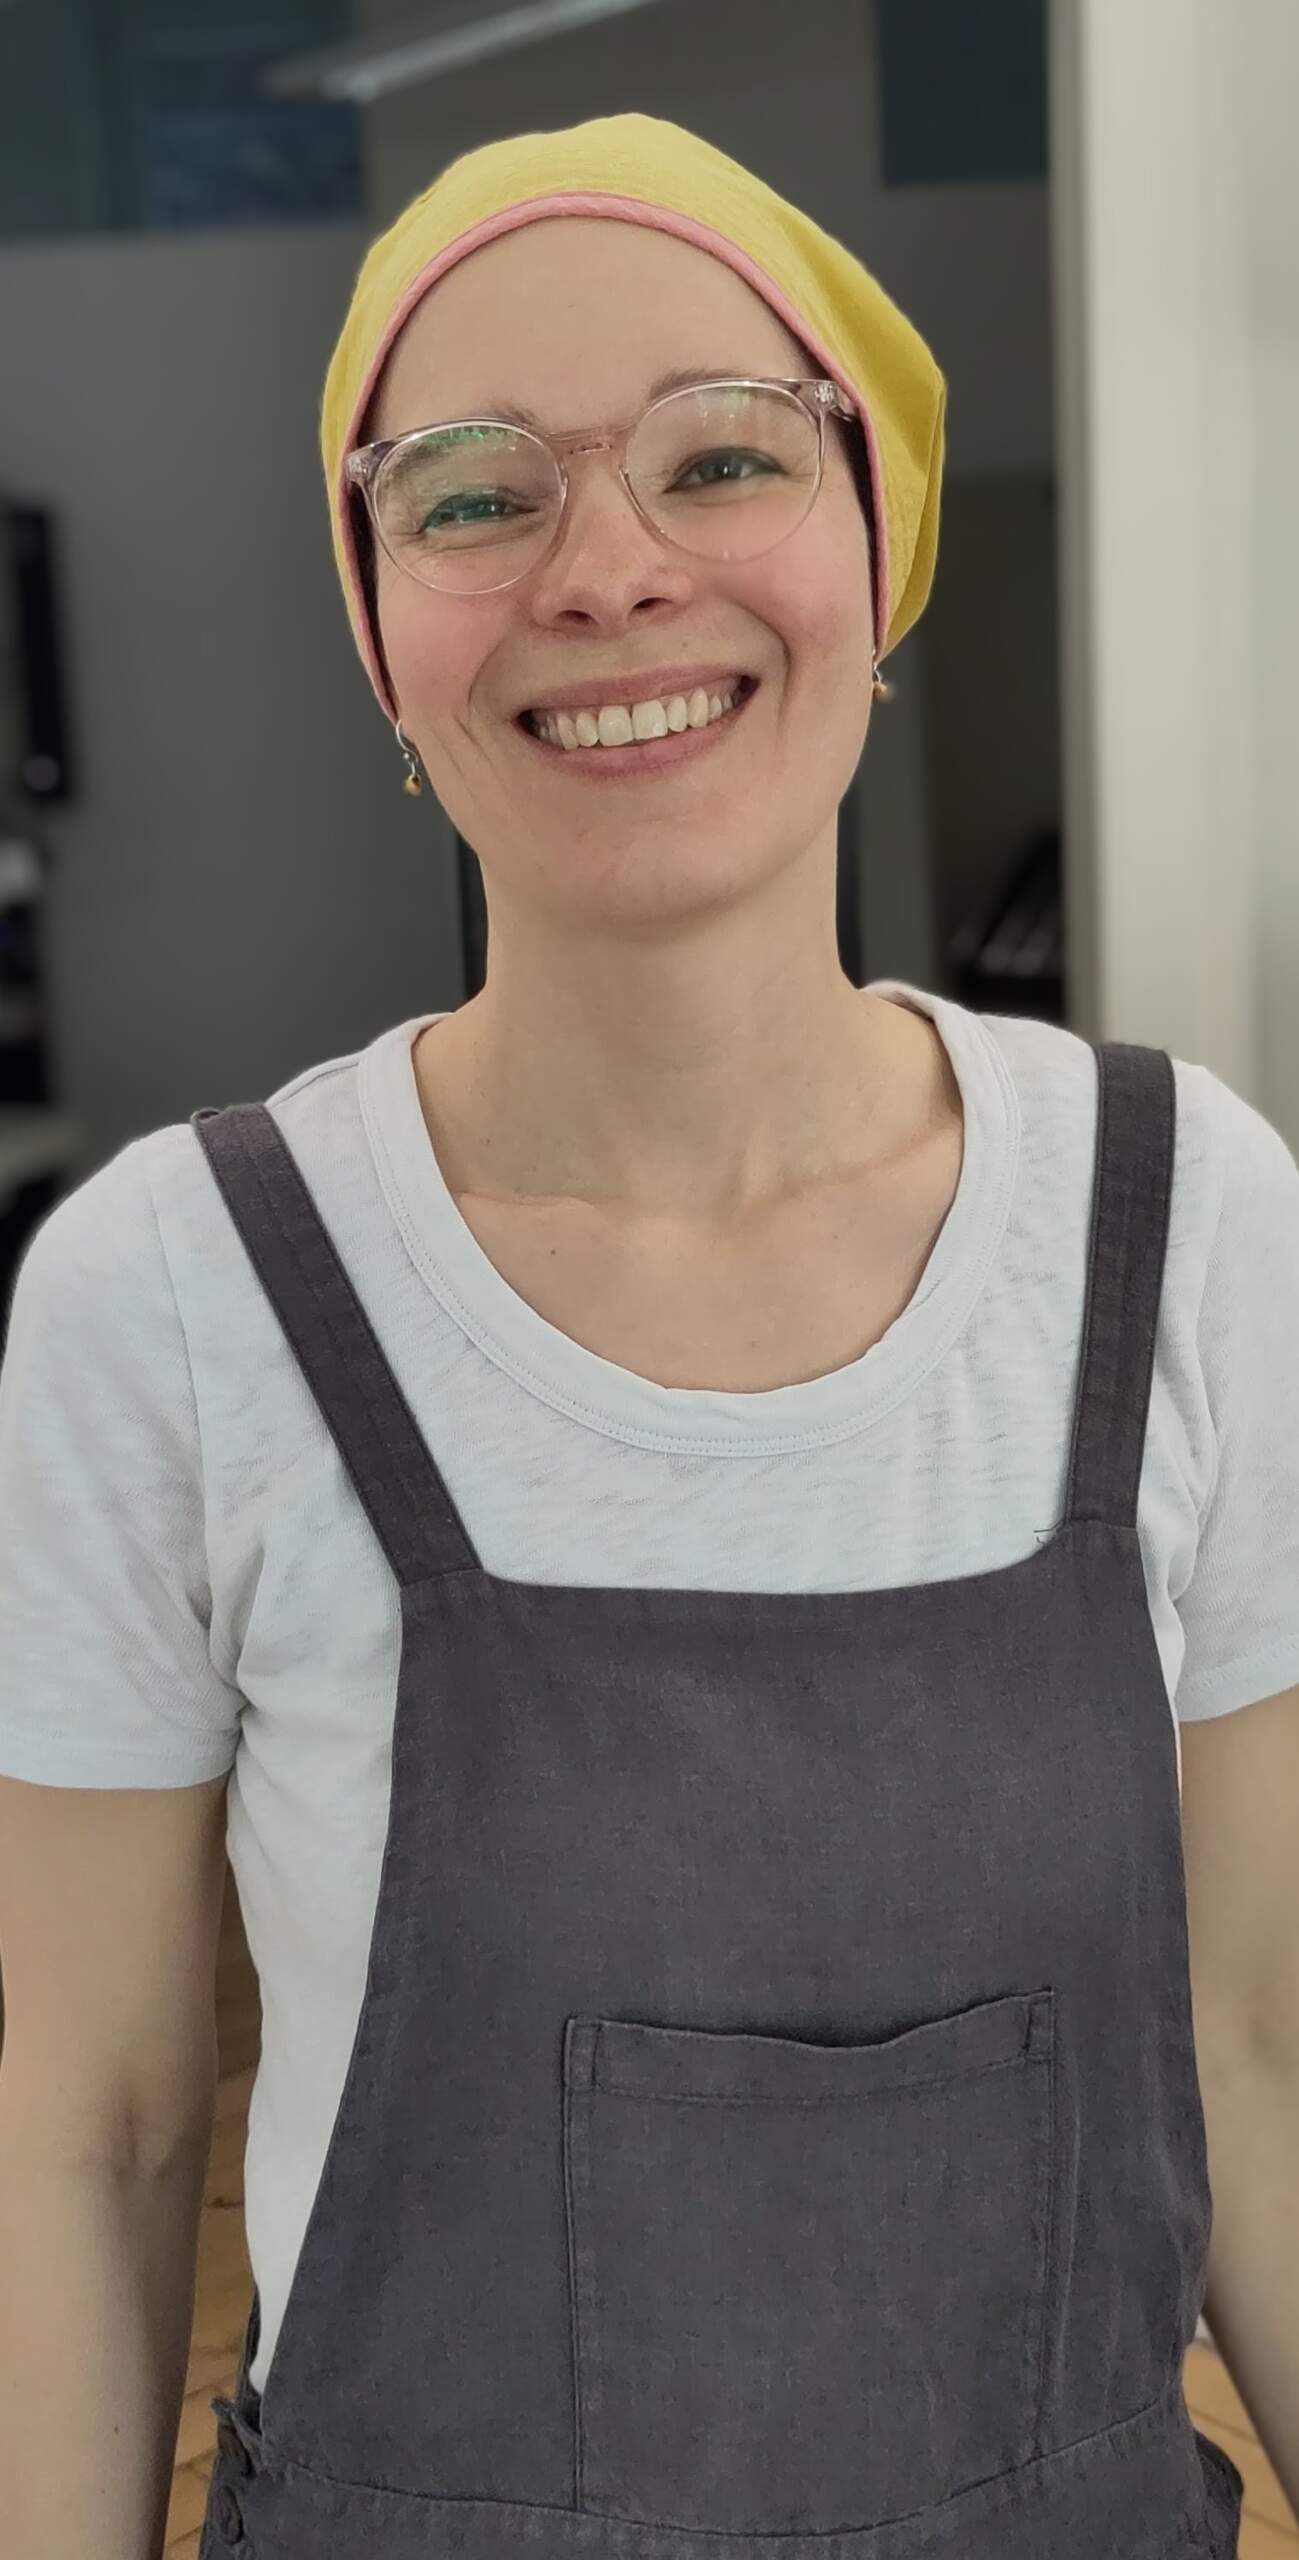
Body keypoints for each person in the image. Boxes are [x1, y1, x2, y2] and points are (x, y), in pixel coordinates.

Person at [4, 107, 1296, 2560]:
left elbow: (1254, 2049)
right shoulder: (172, 1291)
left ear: (877, 544)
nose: (605, 569)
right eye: (474, 494)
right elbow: (91, 2129)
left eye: (722, 455)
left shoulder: (1181, 1224)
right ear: (376, 626)